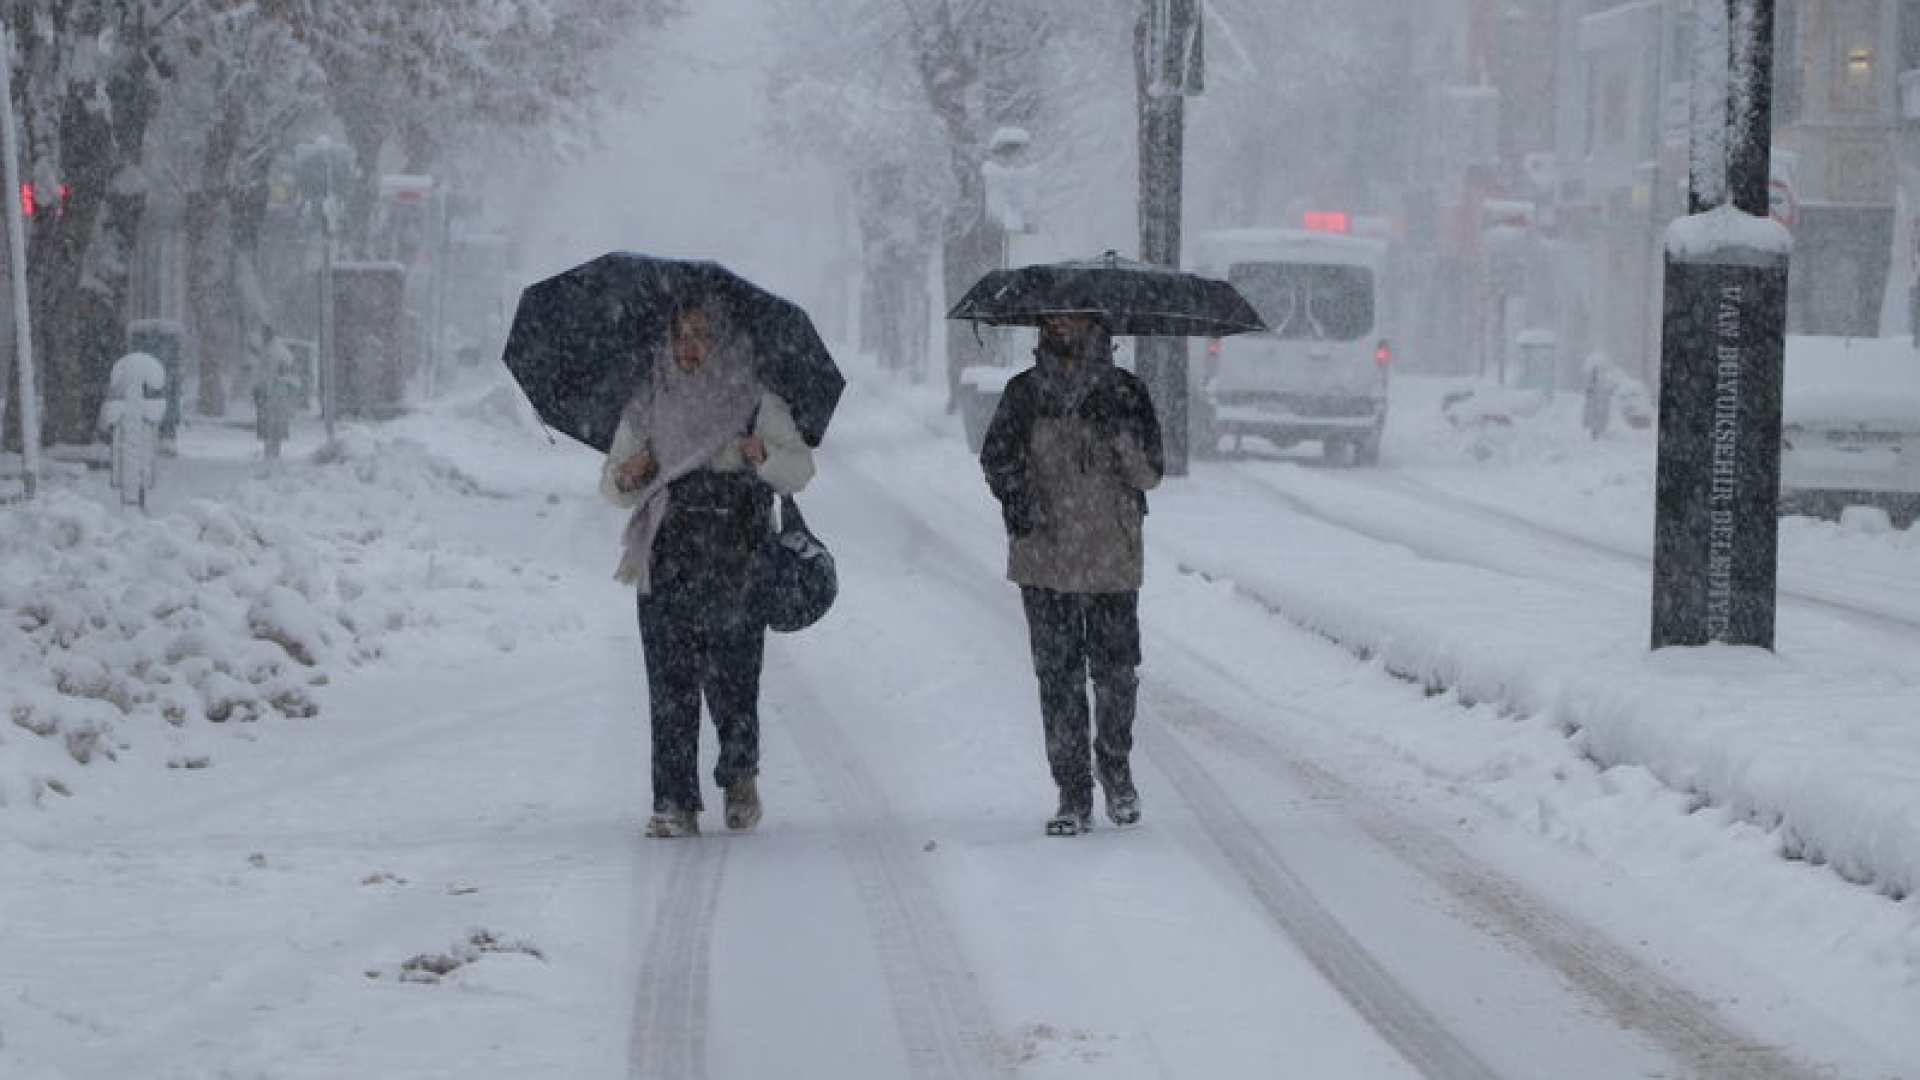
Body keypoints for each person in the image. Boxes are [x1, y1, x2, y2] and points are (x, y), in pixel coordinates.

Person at [601, 299, 815, 838]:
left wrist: (761, 453)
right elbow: (613, 487)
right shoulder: (649, 401)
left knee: (734, 677)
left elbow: (801, 470)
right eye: (680, 335)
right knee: (669, 680)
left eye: (702, 335)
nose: (689, 347)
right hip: (668, 549)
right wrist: (630, 474)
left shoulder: (754, 399)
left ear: (724, 340)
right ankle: (674, 801)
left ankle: (739, 775)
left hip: (737, 551)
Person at [980, 312, 1164, 836]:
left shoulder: (1128, 392)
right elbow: (996, 458)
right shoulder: (1024, 393)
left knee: (1115, 675)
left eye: (1075, 318)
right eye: (1054, 318)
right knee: (1057, 678)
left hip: (1112, 554)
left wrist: (1118, 434)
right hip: (1045, 554)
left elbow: (1151, 473)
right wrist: (1021, 497)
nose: (1063, 327)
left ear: (1096, 327)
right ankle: (1072, 790)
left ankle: (1116, 768)